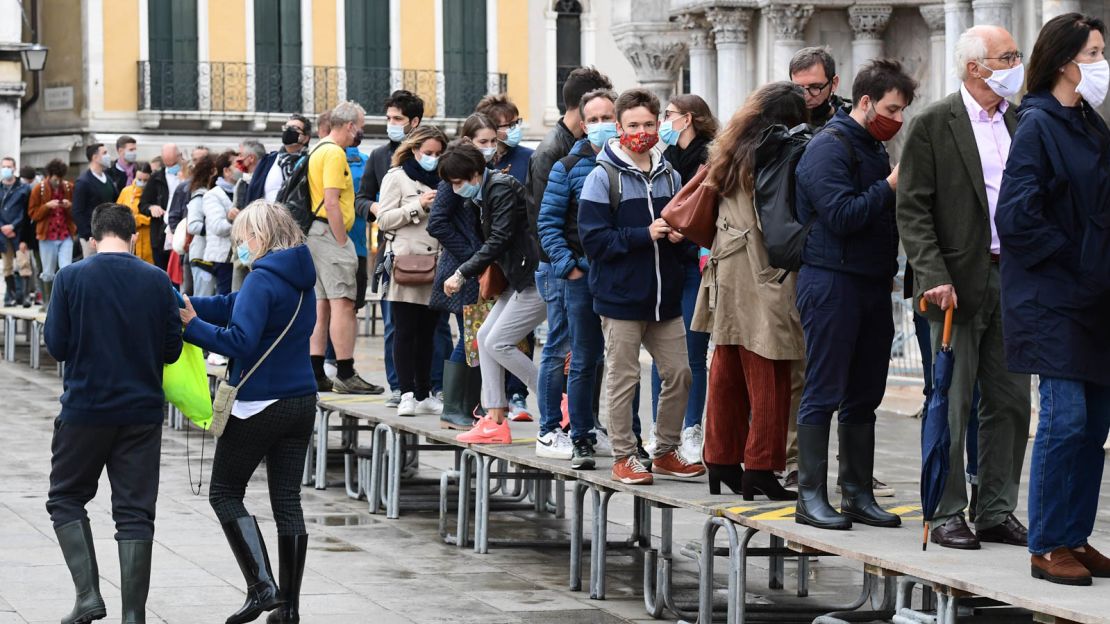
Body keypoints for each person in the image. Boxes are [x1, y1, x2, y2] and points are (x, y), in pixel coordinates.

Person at [898, 25, 1032, 551]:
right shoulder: (934, 122)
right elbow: (912, 207)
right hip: (953, 283)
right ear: (977, 68)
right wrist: (932, 276)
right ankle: (949, 509)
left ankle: (996, 508)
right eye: (1008, 56)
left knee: (1011, 400)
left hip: (1014, 279)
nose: (1016, 64)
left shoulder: (1021, 120)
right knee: (953, 399)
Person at [996, 12, 1110, 586]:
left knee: (1094, 426)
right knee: (1065, 421)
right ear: (1066, 63)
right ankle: (1045, 544)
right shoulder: (1038, 125)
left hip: (1092, 299)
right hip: (1053, 298)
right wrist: (1076, 257)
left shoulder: (1088, 123)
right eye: (1093, 54)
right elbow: (1016, 218)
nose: (1100, 64)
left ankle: (1073, 535)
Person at [179, 200, 317, 621]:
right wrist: (191, 304)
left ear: (261, 236)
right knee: (287, 501)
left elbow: (239, 340)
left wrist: (190, 326)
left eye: (244, 238)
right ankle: (287, 609)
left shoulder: (262, 278)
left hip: (260, 403)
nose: (241, 245)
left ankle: (261, 587)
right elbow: (233, 304)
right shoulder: (299, 277)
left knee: (224, 492)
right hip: (302, 400)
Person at [44, 203, 182, 624]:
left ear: (93, 237)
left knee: (66, 498)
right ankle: (134, 614)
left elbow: (57, 346)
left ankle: (88, 596)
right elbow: (172, 349)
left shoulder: (71, 277)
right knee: (135, 512)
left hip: (86, 409)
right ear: (132, 236)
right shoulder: (158, 280)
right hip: (141, 412)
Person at [793, 59, 916, 531]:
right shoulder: (829, 147)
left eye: (903, 110)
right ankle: (810, 495)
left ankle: (857, 493)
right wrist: (889, 186)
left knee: (866, 391)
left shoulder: (871, 145)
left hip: (868, 282)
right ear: (865, 102)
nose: (898, 119)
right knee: (823, 389)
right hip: (830, 281)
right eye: (891, 108)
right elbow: (841, 215)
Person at [577, 87, 705, 485]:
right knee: (623, 378)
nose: (642, 131)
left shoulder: (671, 174)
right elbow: (594, 241)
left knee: (680, 373)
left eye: (650, 124)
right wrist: (643, 234)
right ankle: (623, 456)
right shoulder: (602, 177)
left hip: (665, 298)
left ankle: (664, 450)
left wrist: (681, 238)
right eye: (633, 125)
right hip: (620, 298)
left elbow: (684, 225)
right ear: (619, 127)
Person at [693, 82, 807, 501]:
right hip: (762, 269)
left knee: (726, 364)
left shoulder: (729, 148)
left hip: (726, 267)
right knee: (771, 369)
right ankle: (760, 466)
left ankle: (720, 457)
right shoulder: (779, 150)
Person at [529, 67, 614, 458]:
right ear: (580, 119)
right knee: (567, 350)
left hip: (604, 272)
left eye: (606, 118)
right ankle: (552, 428)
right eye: (593, 119)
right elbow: (546, 220)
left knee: (594, 356)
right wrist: (569, 266)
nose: (600, 125)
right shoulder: (556, 155)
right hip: (565, 270)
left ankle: (587, 425)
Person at [440, 142, 543, 444]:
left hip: (534, 278)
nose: (456, 189)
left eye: (458, 182)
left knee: (498, 341)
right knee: (484, 337)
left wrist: (462, 273)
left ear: (475, 174)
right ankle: (495, 417)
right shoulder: (484, 193)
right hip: (517, 278)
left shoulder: (499, 188)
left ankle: (555, 399)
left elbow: (499, 238)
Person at [647, 94, 717, 462]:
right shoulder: (664, 159)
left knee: (693, 351)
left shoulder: (711, 157)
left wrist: (687, 234)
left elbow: (710, 210)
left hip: (695, 264)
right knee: (663, 355)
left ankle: (691, 428)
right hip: (668, 262)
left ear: (687, 118)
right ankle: (663, 432)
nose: (663, 123)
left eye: (668, 116)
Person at [428, 117, 496, 430]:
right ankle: (454, 408)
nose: (490, 147)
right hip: (464, 270)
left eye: (493, 140)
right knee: (470, 338)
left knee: (476, 337)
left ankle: (468, 405)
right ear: (468, 141)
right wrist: (472, 255)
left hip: (476, 269)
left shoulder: (485, 177)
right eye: (483, 141)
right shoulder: (452, 179)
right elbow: (437, 222)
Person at [307, 101, 380, 394]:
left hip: (315, 232)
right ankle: (346, 371)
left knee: (322, 303)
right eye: (360, 126)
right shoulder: (335, 153)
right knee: (344, 303)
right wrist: (341, 239)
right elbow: (332, 198)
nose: (359, 132)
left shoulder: (318, 148)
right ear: (349, 126)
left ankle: (316, 371)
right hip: (329, 233)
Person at [357, 90, 425, 405]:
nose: (391, 124)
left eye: (397, 119)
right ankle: (398, 387)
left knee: (430, 328)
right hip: (392, 251)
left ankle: (430, 388)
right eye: (388, 119)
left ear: (415, 121)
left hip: (430, 252)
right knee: (393, 323)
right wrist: (381, 210)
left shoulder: (431, 153)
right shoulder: (379, 157)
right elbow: (361, 200)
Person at [378, 126, 449, 416]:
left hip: (437, 264)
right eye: (428, 153)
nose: (433, 158)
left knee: (429, 332)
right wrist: (417, 205)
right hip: (406, 264)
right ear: (415, 150)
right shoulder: (397, 176)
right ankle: (405, 392)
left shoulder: (446, 178)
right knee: (404, 331)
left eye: (438, 153)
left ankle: (425, 392)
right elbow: (383, 219)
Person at [26, 159, 74, 309]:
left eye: (60, 178)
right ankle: (48, 302)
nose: (58, 181)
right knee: (47, 271)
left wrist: (69, 206)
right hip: (46, 235)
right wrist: (47, 206)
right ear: (49, 175)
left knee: (66, 268)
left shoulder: (68, 187)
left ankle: (64, 302)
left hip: (65, 233)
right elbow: (32, 213)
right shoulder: (38, 189)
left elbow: (76, 211)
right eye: (55, 178)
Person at [140, 143, 186, 269]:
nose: (171, 167)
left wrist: (185, 182)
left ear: (179, 157)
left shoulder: (188, 175)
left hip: (182, 230)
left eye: (173, 163)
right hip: (161, 233)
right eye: (167, 164)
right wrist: (151, 208)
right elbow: (143, 204)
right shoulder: (156, 177)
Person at [229, 140, 267, 291]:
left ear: (251, 158)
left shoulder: (266, 180)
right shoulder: (241, 182)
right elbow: (234, 207)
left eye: (240, 155)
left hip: (259, 242)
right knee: (238, 288)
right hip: (240, 243)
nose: (238, 159)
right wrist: (231, 213)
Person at [203, 151, 240, 296]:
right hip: (224, 258)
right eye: (237, 164)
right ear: (226, 171)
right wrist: (242, 224)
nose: (241, 168)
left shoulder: (242, 189)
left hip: (239, 256)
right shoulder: (212, 195)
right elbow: (218, 227)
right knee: (225, 299)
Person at [475, 94, 534, 185]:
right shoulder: (474, 160)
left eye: (517, 122)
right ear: (491, 128)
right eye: (510, 125)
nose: (516, 128)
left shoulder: (530, 157)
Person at [252, 114, 312, 204]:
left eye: (295, 128)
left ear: (306, 138)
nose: (288, 131)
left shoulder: (309, 162)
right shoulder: (268, 161)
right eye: (286, 127)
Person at [72, 143, 117, 259]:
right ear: (94, 157)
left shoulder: (108, 179)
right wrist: (88, 235)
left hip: (109, 234)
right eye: (105, 153)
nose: (108, 156)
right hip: (91, 237)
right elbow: (77, 211)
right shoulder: (83, 182)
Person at [790, 46, 848, 127]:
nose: (806, 97)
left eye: (815, 87)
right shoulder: (778, 121)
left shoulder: (852, 120)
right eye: (798, 88)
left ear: (834, 83)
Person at [1, 155, 30, 305]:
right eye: (3, 166)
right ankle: (11, 296)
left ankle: (24, 296)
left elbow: (25, 212)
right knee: (7, 266)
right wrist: (3, 227)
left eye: (9, 166)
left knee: (23, 263)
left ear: (14, 168)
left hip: (19, 232)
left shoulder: (23, 188)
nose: (6, 169)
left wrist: (13, 226)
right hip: (2, 233)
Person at [187, 155, 218, 297]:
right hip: (201, 257)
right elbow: (192, 225)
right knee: (203, 298)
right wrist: (214, 228)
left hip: (210, 256)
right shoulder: (200, 196)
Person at [116, 162, 155, 264]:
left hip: (149, 241)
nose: (142, 182)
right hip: (129, 240)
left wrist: (139, 219)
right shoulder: (126, 192)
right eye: (139, 179)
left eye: (146, 180)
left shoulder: (155, 193)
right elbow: (117, 213)